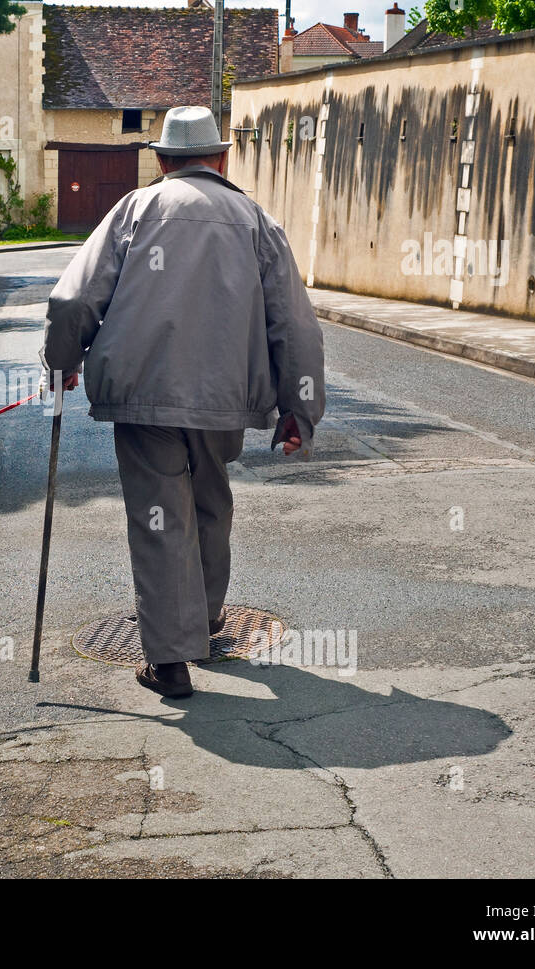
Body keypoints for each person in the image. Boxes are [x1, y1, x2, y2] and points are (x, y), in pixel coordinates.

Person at [40, 105, 325, 699]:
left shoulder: (135, 210)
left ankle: (169, 658)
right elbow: (294, 324)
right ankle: (208, 615)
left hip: (144, 392)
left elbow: (72, 301)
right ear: (220, 159)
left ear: (163, 160)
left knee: (159, 514)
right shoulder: (255, 220)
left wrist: (63, 360)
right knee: (209, 499)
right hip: (226, 396)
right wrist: (300, 408)